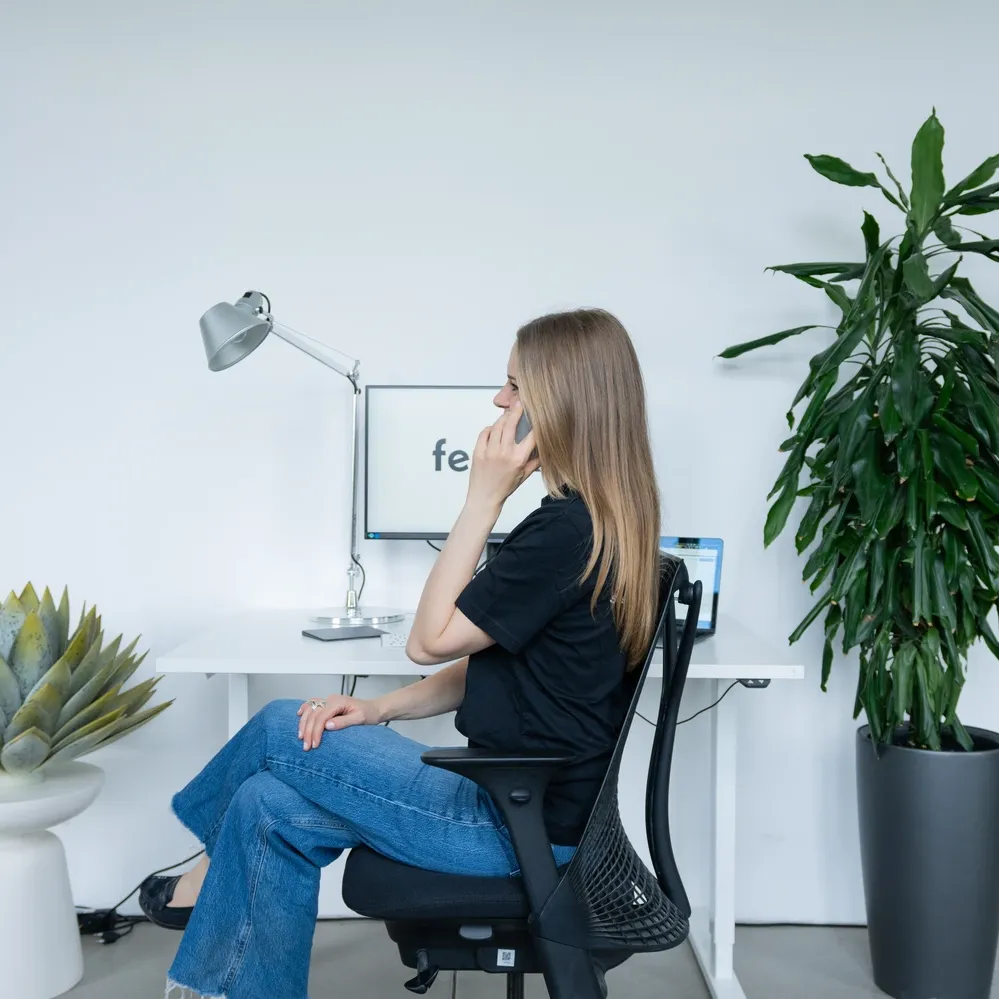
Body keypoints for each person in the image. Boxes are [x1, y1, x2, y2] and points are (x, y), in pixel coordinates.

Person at [143, 308, 662, 999]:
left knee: (277, 725)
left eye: (514, 386)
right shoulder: (601, 522)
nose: (499, 401)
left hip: (512, 828)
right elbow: (490, 660)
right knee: (266, 803)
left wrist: (481, 499)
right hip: (521, 808)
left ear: (560, 403)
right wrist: (379, 707)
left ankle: (197, 881)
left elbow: (427, 640)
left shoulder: (562, 531)